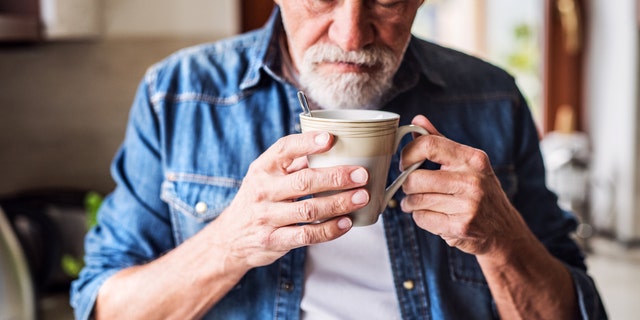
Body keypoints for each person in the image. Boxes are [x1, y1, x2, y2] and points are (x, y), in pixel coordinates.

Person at [71, 0, 607, 319]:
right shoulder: (180, 95)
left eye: (386, 0)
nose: (352, 34)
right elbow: (103, 305)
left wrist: (501, 241)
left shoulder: (492, 98)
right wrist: (230, 242)